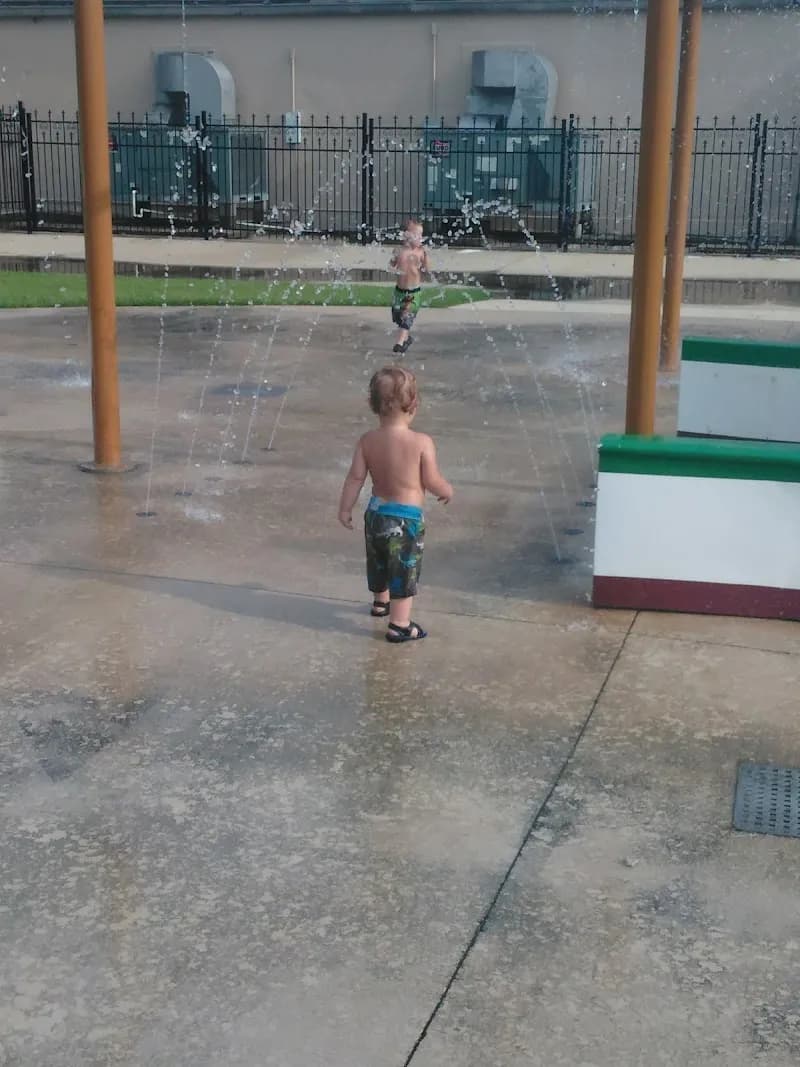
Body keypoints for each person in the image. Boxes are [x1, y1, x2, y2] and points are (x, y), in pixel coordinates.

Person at [338, 366, 453, 643]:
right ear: (414, 404)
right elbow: (432, 479)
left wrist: (345, 508)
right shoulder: (421, 442)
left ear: (372, 404)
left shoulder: (367, 440)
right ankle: (399, 624)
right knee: (403, 568)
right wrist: (446, 489)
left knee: (378, 561)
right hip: (405, 520)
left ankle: (380, 603)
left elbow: (355, 478)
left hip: (375, 514)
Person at [389, 219, 429, 355]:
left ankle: (399, 343)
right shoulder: (398, 251)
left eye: (421, 235)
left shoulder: (420, 252)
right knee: (397, 317)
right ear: (406, 235)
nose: (420, 238)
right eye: (417, 235)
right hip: (398, 291)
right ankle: (406, 339)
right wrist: (392, 266)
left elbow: (426, 269)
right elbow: (391, 265)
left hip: (413, 292)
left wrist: (425, 260)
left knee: (406, 317)